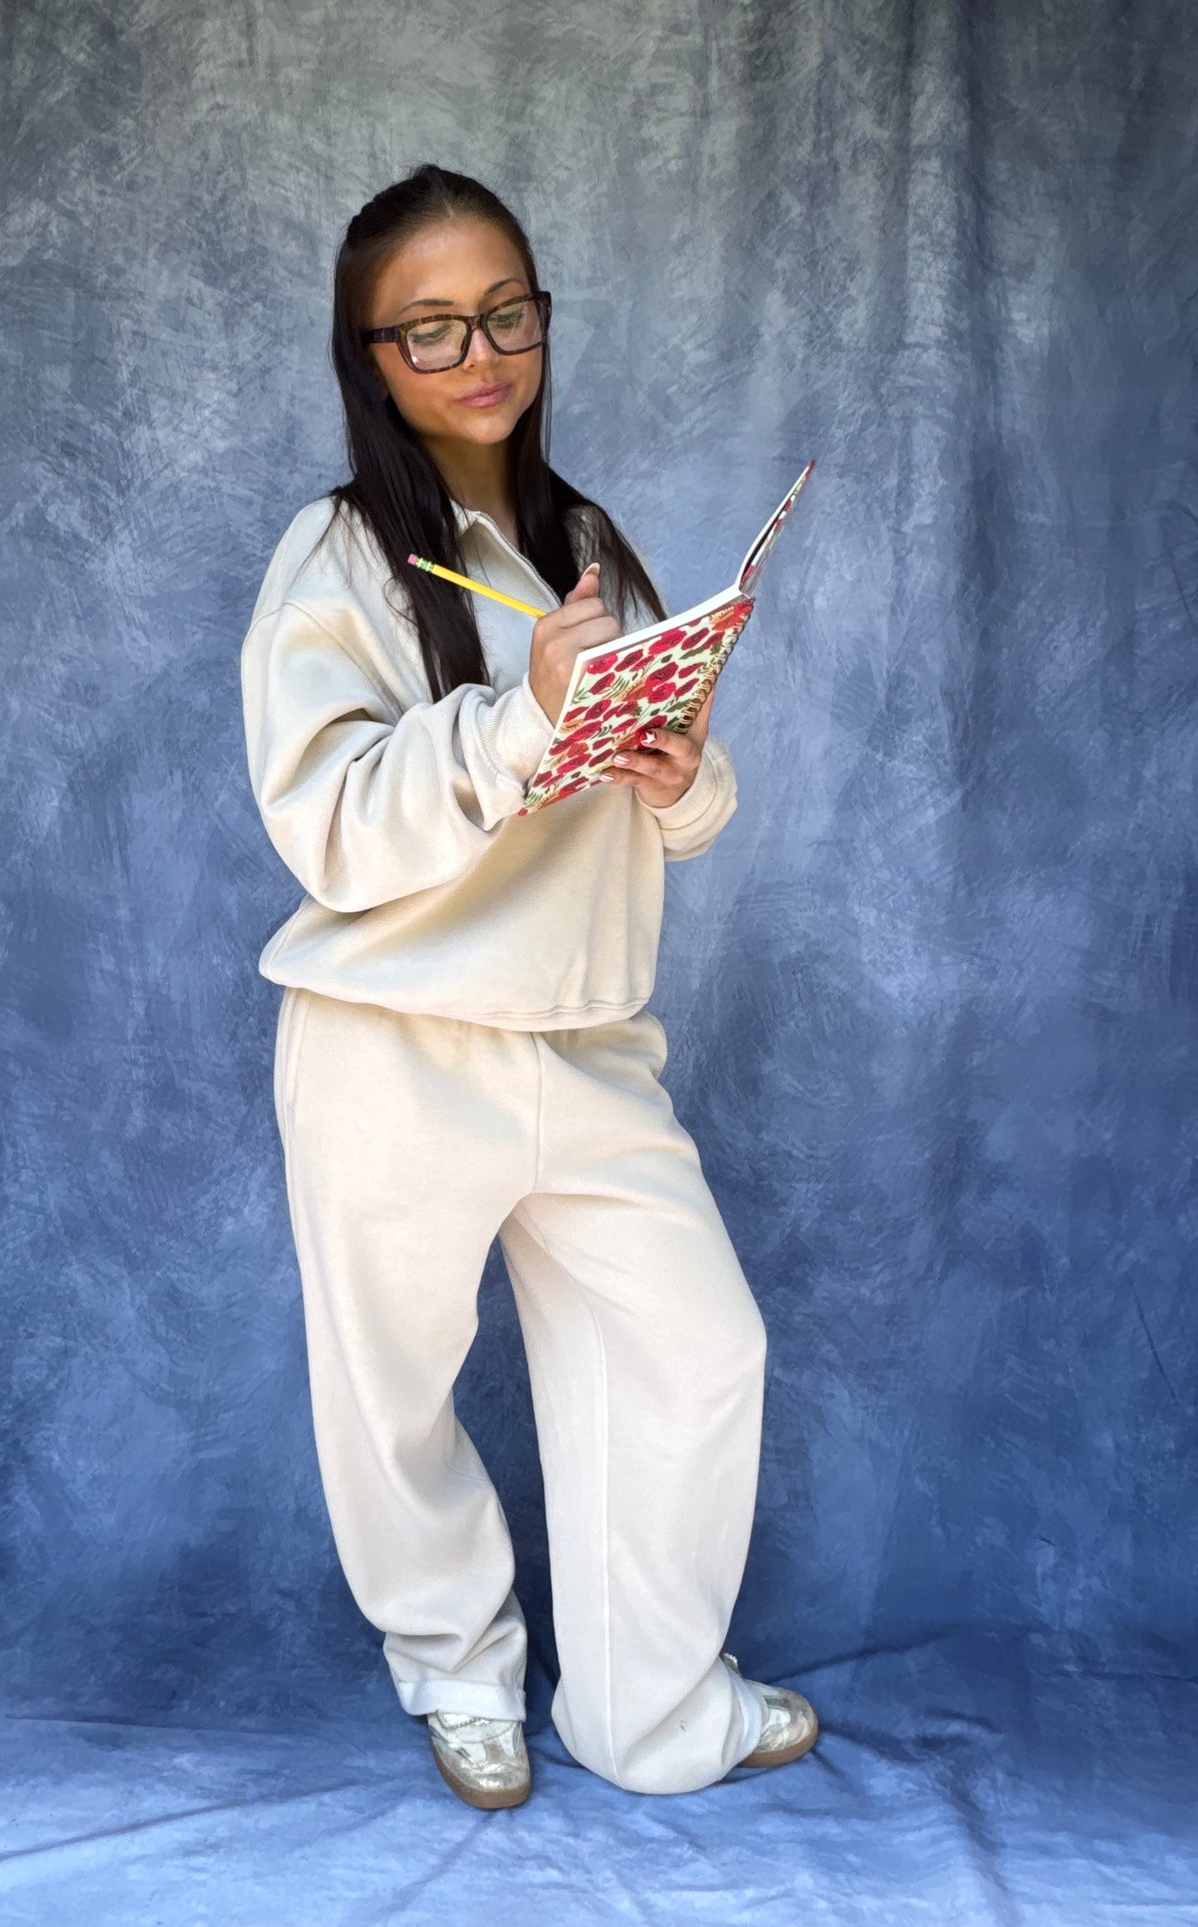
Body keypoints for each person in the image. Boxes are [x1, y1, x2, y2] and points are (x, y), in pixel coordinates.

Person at [239, 163, 818, 1808]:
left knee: (694, 1354)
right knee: (393, 1400)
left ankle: (651, 1711)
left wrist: (680, 777)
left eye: (504, 312)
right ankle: (457, 1673)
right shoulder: (339, 555)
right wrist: (516, 722)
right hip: (394, 1045)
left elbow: (665, 808)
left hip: (587, 1040)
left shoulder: (588, 543)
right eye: (427, 328)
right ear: (369, 358)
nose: (478, 352)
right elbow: (327, 826)